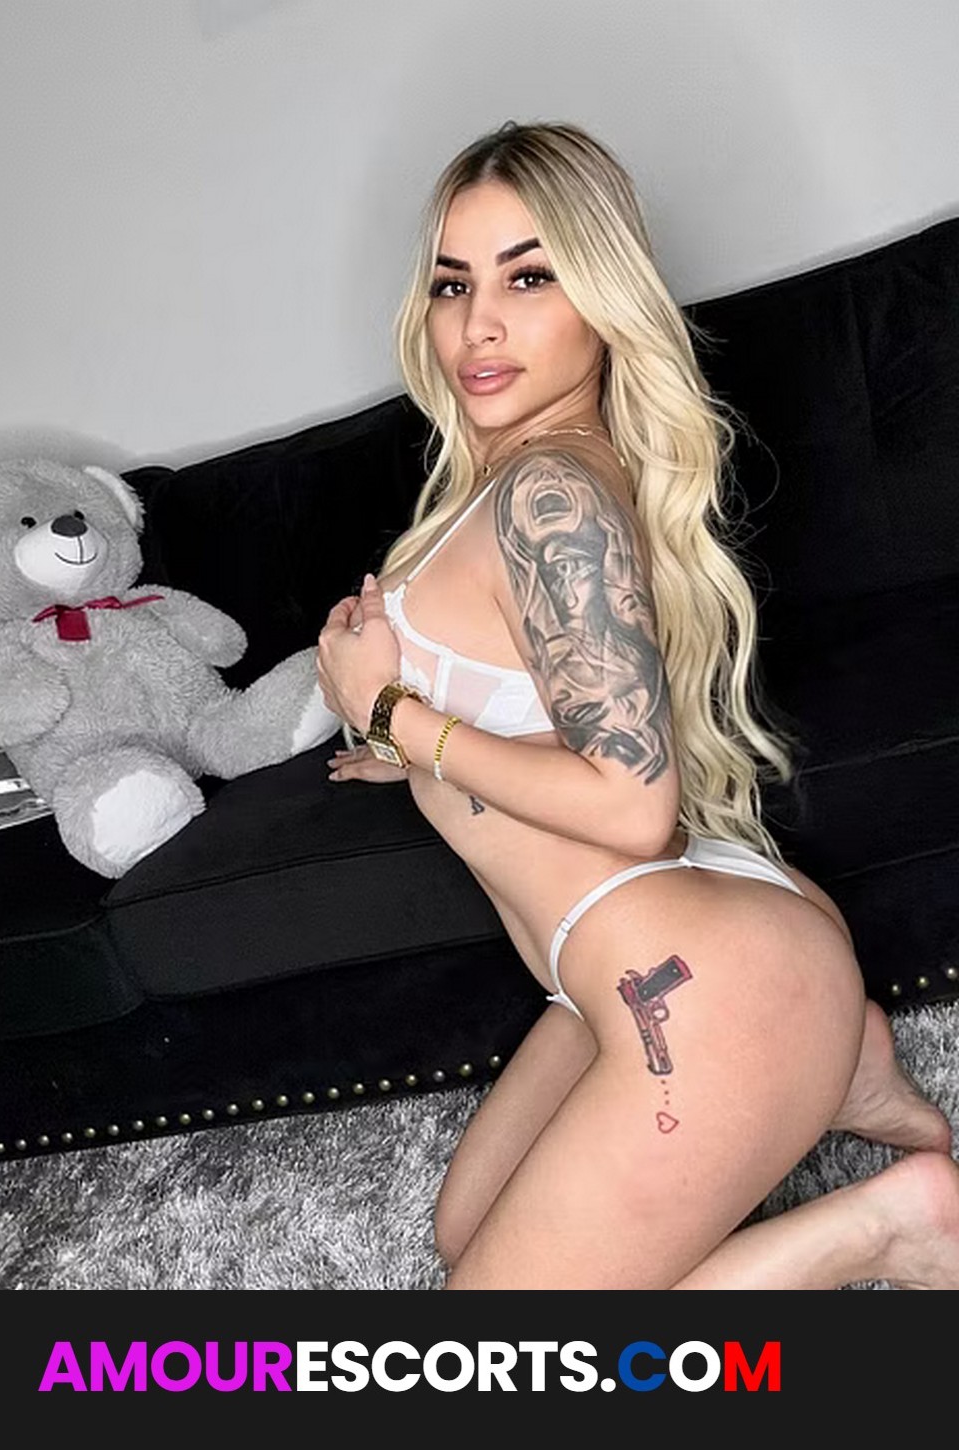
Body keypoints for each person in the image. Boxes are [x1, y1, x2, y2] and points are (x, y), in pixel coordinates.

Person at [315, 119, 959, 1290]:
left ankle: (895, 1222)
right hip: (635, 963)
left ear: (602, 294)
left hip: (698, 982)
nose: (476, 324)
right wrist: (403, 750)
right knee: (468, 1234)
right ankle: (843, 1060)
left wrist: (394, 712)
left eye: (527, 277)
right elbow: (530, 698)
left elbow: (628, 805)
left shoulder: (549, 495)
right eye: (453, 284)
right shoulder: (513, 476)